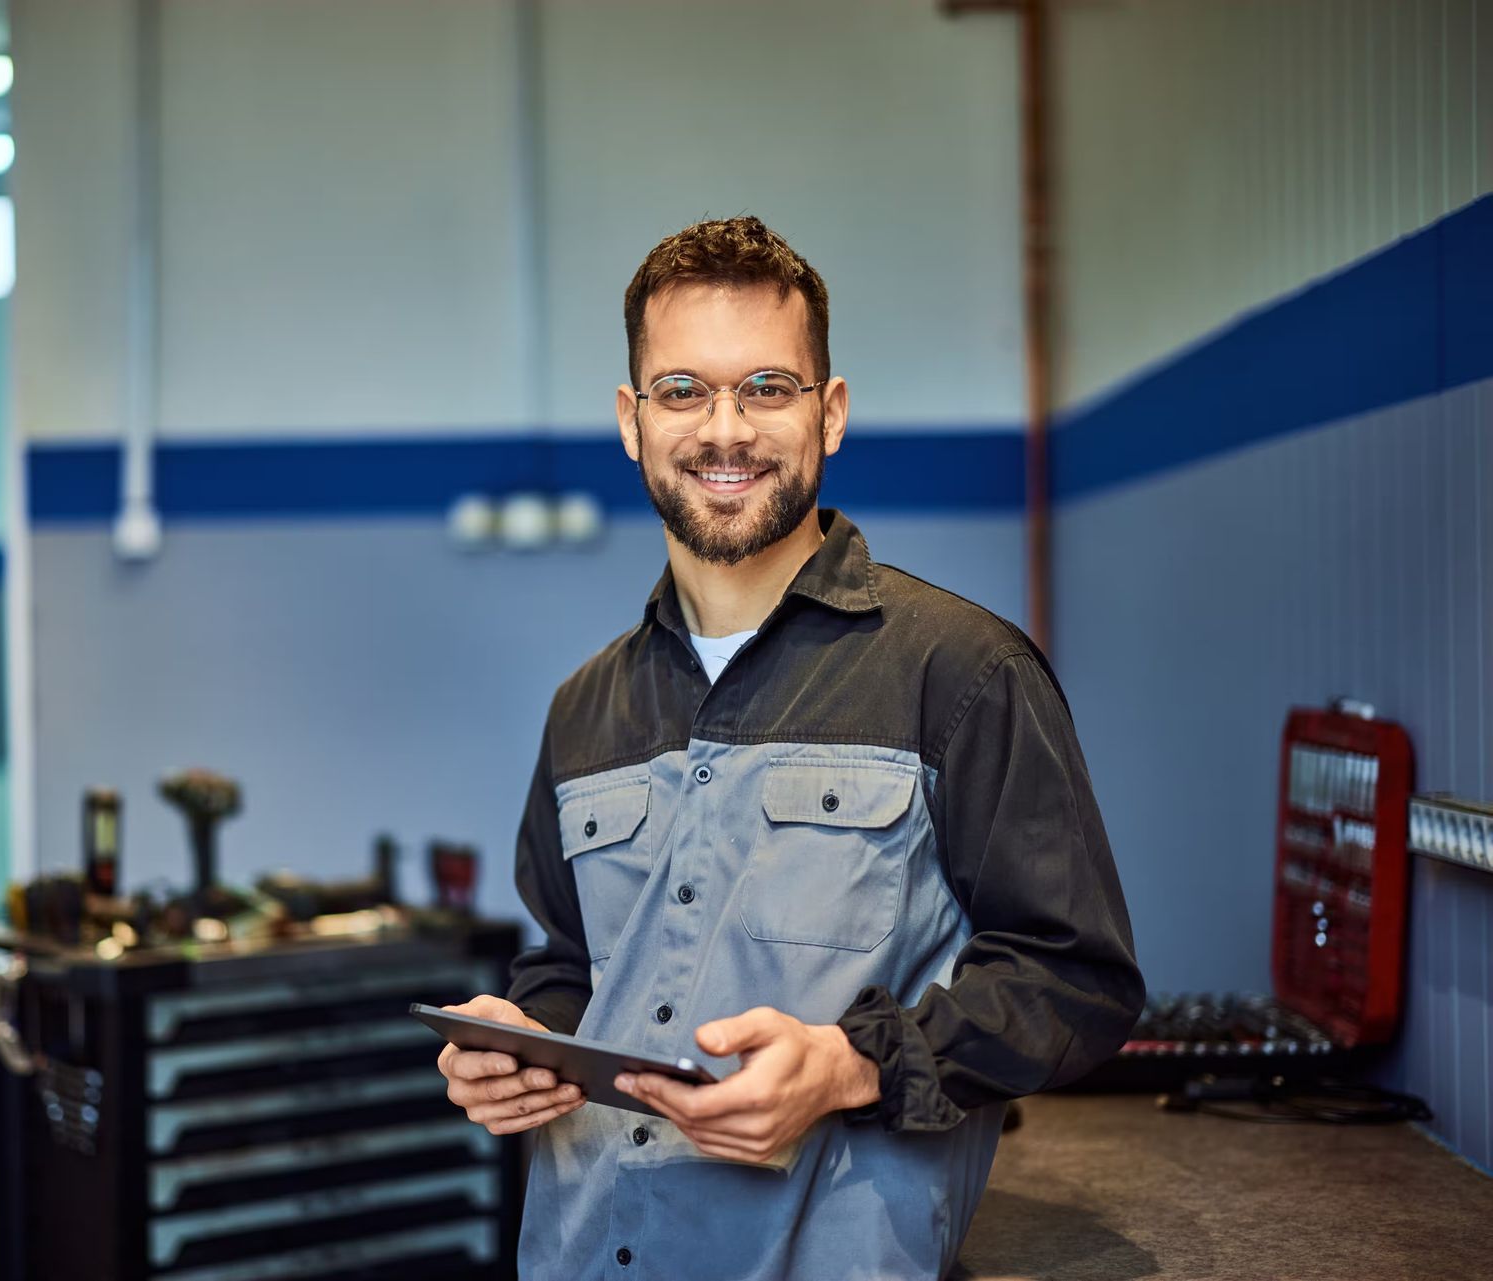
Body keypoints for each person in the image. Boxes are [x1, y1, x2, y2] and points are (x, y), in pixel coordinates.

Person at [435, 216, 1144, 1280]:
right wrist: (521, 1040)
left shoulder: (961, 673)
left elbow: (1076, 980)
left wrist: (854, 1064)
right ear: (632, 422)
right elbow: (575, 963)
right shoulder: (585, 707)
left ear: (832, 412)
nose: (726, 430)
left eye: (767, 387)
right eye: (682, 391)